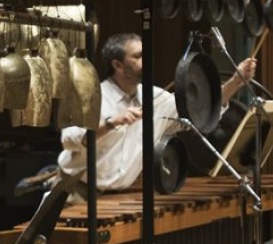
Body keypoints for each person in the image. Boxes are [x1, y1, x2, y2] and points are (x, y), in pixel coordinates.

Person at [56, 33, 257, 200]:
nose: (146, 60)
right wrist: (112, 122)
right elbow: (70, 139)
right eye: (138, 56)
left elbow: (200, 109)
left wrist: (235, 81)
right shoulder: (92, 97)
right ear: (117, 65)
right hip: (78, 193)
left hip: (118, 195)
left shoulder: (155, 97)